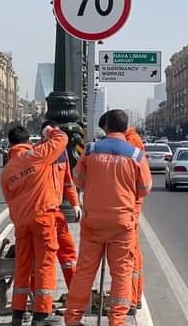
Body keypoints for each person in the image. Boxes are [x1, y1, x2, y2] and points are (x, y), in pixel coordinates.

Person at [65, 110, 152, 326]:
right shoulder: (135, 154)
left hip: (93, 221)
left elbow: (78, 179)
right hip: (122, 223)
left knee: (85, 270)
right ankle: (117, 320)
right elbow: (144, 188)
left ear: (106, 127)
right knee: (122, 272)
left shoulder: (91, 150)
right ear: (126, 128)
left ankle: (73, 318)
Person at [1, 125, 68, 326]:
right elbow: (62, 138)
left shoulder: (6, 172)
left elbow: (9, 199)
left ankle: (18, 313)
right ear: (28, 142)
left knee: (23, 266)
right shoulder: (37, 155)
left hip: (22, 223)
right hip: (43, 218)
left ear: (10, 145)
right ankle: (41, 314)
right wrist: (49, 131)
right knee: (45, 264)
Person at [99, 113, 149, 316]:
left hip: (129, 206)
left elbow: (137, 179)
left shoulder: (130, 142)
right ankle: (131, 298)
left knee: (130, 257)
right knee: (130, 257)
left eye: (105, 131)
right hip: (128, 204)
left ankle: (131, 299)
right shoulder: (131, 139)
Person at [41, 120, 82, 288]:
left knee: (68, 253)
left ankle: (74, 291)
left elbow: (67, 182)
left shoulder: (62, 154)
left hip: (57, 213)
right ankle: (40, 300)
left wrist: (75, 203)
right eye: (53, 133)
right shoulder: (37, 152)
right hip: (41, 214)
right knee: (43, 258)